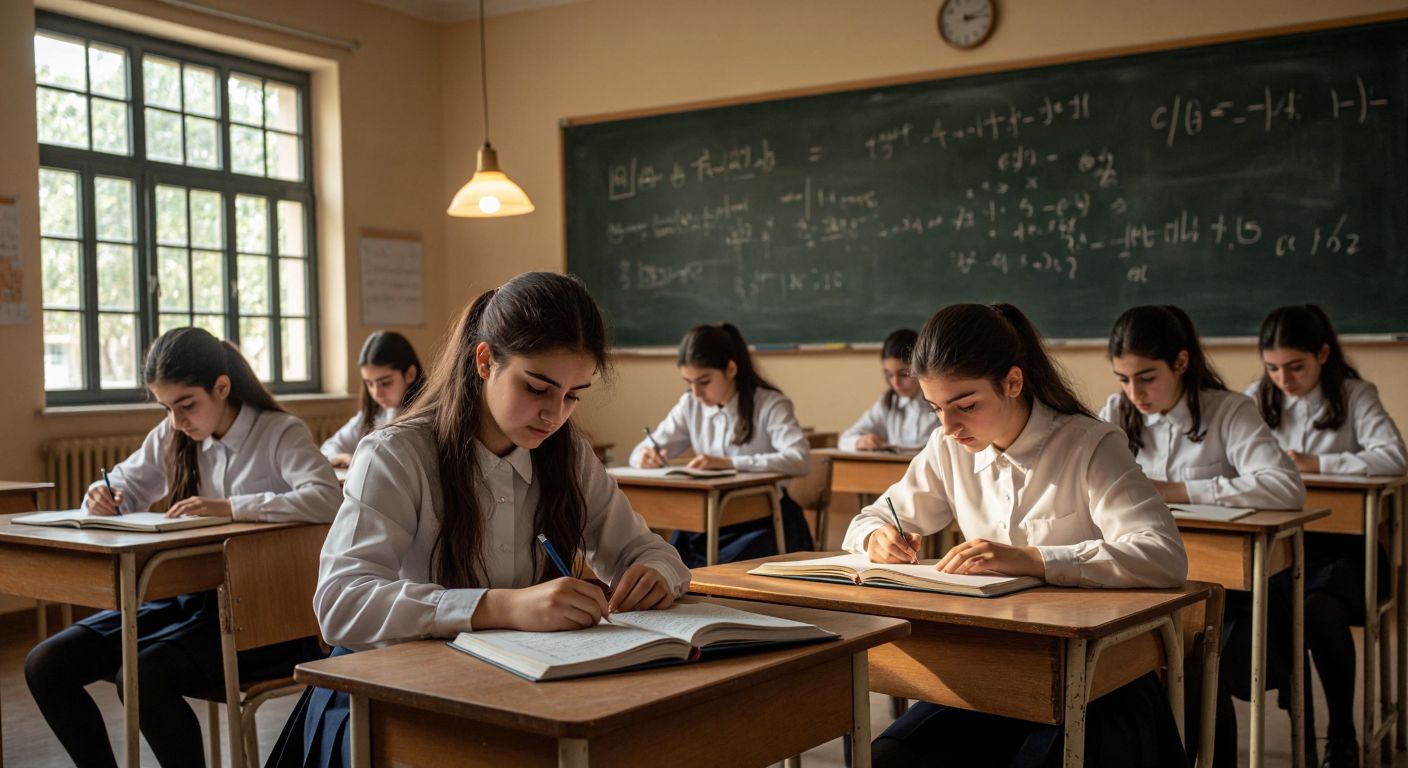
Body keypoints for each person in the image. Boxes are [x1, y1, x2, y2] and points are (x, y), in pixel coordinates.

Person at [270, 272, 691, 767]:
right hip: (394, 698)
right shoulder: (398, 455)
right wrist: (499, 607)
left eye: (574, 395)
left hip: (517, 686)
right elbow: (341, 604)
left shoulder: (568, 456)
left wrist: (655, 574)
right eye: (538, 388)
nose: (554, 414)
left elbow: (647, 550)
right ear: (486, 360)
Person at [847, 303, 1187, 768]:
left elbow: (1163, 555)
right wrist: (876, 538)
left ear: (1012, 382)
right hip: (992, 674)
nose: (948, 426)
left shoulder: (1090, 445)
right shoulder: (947, 449)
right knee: (890, 757)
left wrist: (1035, 559)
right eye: (935, 408)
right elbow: (869, 517)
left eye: (965, 405)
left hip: (1096, 682)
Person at [25, 327, 340, 768]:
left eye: (186, 405)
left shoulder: (278, 432)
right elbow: (124, 486)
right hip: (187, 605)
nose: (176, 421)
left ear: (222, 387)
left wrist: (230, 508)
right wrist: (101, 493)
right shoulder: (171, 436)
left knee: (142, 678)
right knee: (47, 664)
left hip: (265, 615)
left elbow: (327, 497)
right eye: (166, 408)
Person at [629, 322, 813, 567]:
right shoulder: (689, 405)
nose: (695, 392)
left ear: (731, 368)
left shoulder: (770, 404)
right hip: (705, 522)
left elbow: (799, 459)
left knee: (719, 574)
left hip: (761, 522)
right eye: (688, 382)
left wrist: (729, 463)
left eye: (704, 381)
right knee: (668, 564)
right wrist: (644, 456)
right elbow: (642, 449)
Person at [320, 330, 423, 467]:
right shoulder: (372, 415)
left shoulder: (427, 418)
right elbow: (328, 448)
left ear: (410, 374)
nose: (376, 393)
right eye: (369, 384)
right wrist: (344, 457)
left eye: (386, 383)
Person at [839, 328, 939, 451]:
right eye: (889, 375)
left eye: (904, 374)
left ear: (923, 368)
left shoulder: (941, 402)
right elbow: (846, 439)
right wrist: (860, 441)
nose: (895, 383)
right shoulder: (888, 402)